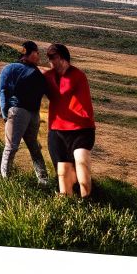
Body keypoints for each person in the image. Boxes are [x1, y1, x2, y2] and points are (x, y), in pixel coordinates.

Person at [43, 43, 96, 197]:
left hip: (81, 129)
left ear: (62, 58)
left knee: (81, 165)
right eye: (48, 58)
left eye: (52, 57)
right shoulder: (49, 76)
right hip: (57, 130)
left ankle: (87, 201)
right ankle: (69, 204)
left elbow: (64, 90)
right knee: (64, 174)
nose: (50, 61)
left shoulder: (77, 75)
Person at [0, 41, 51, 182]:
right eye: (36, 52)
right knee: (17, 147)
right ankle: (41, 180)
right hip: (21, 111)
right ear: (28, 53)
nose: (38, 56)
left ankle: (41, 180)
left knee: (20, 147)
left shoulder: (12, 69)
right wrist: (5, 113)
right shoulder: (17, 69)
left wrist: (5, 113)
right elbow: (3, 91)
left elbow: (3, 90)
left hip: (29, 113)